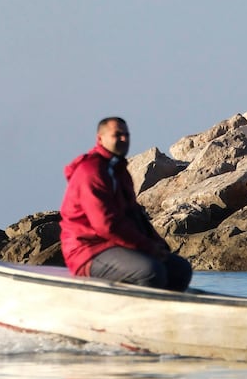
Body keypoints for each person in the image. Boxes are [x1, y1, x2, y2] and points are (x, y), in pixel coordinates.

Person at [59, 116, 193, 292]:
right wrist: (147, 247)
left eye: (126, 135)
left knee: (180, 270)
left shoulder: (118, 170)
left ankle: (170, 313)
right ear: (100, 139)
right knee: (151, 272)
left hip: (113, 245)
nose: (124, 139)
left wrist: (158, 244)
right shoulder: (91, 172)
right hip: (87, 250)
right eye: (117, 135)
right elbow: (106, 225)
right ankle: (132, 314)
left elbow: (134, 214)